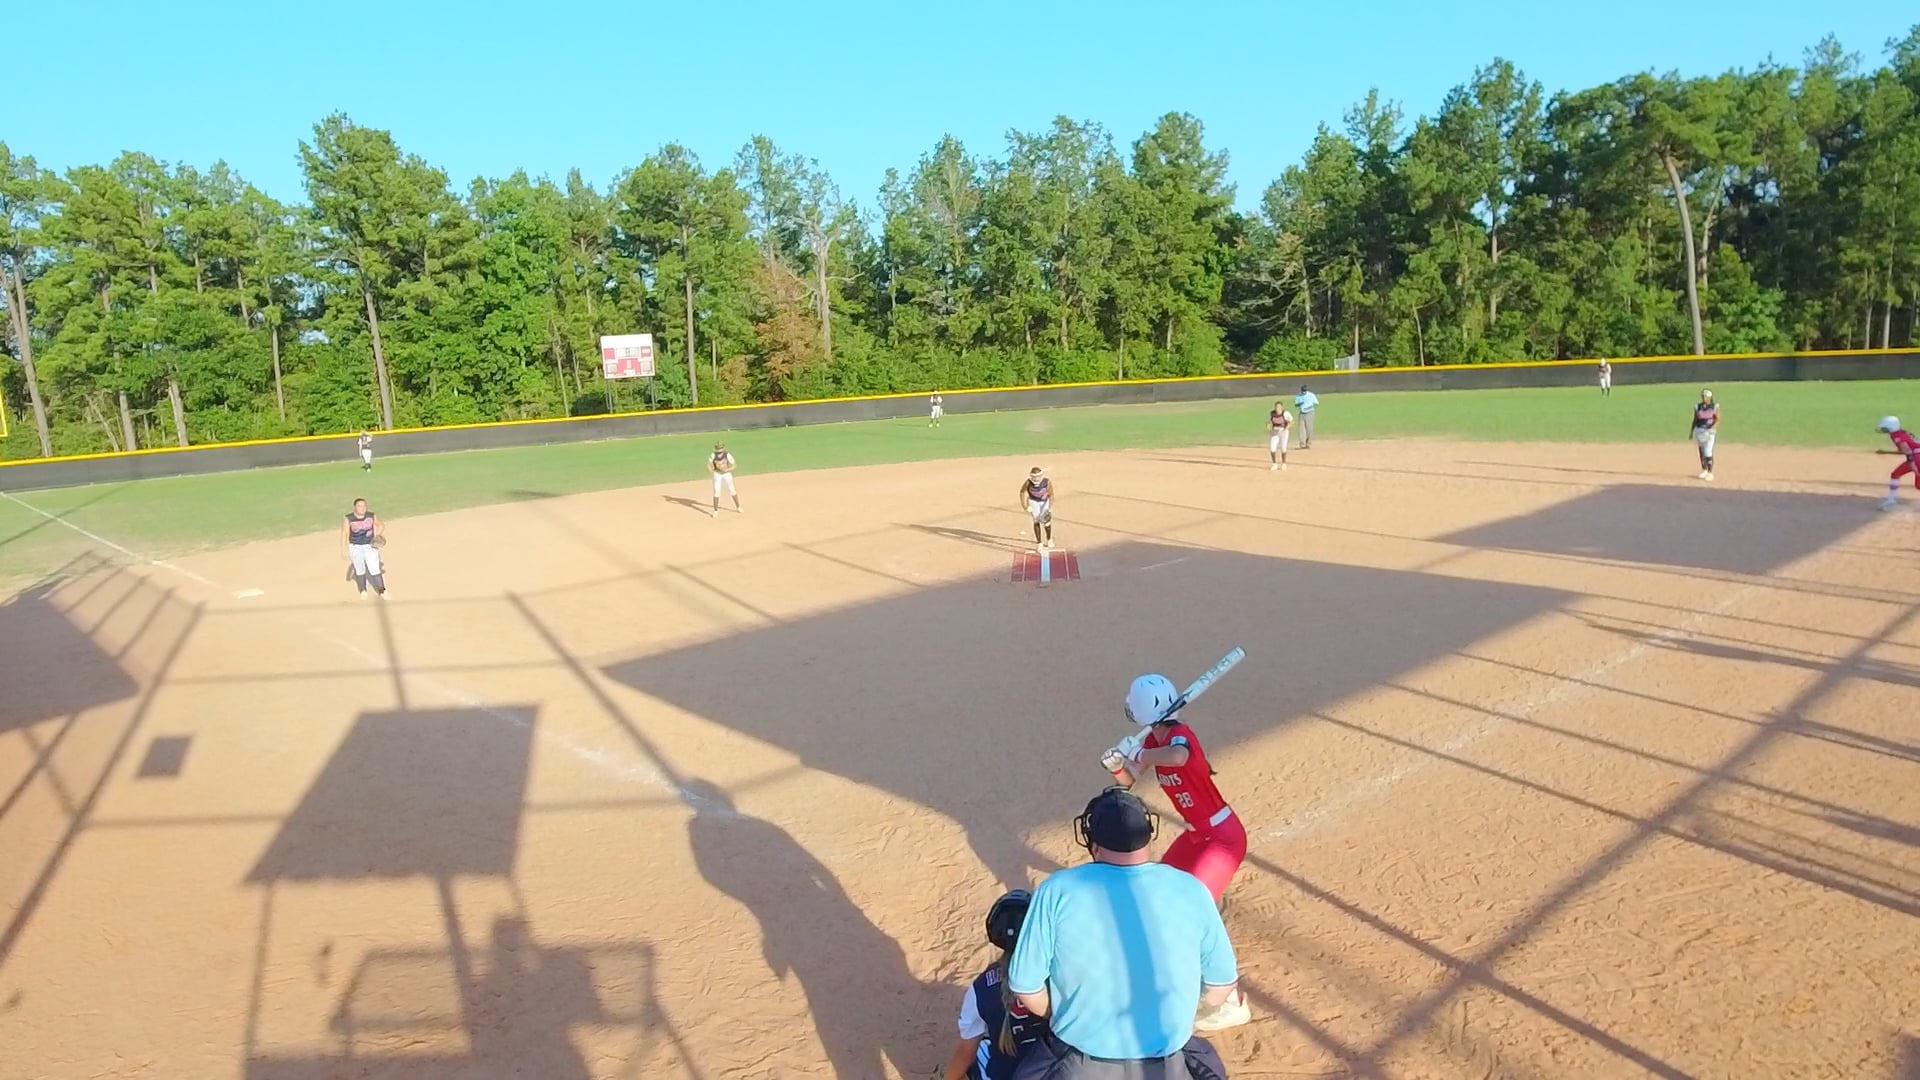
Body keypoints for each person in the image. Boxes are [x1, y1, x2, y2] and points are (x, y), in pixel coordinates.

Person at [1006, 787, 1238, 1079]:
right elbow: (1221, 985)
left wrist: (1068, 1015)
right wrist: (1181, 1018)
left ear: (1093, 843)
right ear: (1149, 834)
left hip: (1080, 1065)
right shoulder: (1191, 889)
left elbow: (1026, 988)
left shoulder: (1057, 890)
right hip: (1167, 1066)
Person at [1102, 674, 1249, 918]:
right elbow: (1128, 780)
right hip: (1196, 835)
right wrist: (1117, 767)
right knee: (1158, 887)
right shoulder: (1153, 741)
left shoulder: (1180, 735)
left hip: (1223, 838)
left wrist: (1137, 753)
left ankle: (1206, 925)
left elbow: (1178, 756)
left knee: (1191, 908)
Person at [941, 890, 1051, 1080]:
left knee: (979, 1045)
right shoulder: (1059, 975)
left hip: (1005, 1073)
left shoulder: (981, 987)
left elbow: (965, 1053)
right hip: (1056, 1070)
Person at [339, 498, 387, 600]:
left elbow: (381, 525)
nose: (363, 508)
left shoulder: (371, 516)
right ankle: (363, 590)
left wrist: (376, 536)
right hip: (355, 547)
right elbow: (344, 534)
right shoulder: (349, 518)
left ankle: (382, 590)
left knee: (374, 568)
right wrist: (343, 550)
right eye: (360, 506)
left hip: (369, 546)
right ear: (355, 507)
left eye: (364, 506)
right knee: (359, 569)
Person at [1876, 416, 1918, 511]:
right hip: (1916, 456)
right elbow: (1907, 449)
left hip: (1916, 458)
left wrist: (1912, 464)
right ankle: (1891, 499)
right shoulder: (1902, 433)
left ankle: (1891, 500)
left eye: (1885, 428)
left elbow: (1907, 450)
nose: (1883, 429)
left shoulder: (1896, 435)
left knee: (1917, 483)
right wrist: (1886, 452)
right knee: (1896, 474)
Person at [1019, 467, 1055, 553]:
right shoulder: (1028, 483)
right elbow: (1022, 492)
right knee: (1036, 520)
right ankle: (1039, 543)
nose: (1036, 479)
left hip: (1044, 502)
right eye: (1034, 477)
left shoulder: (1046, 482)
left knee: (1046, 521)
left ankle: (1049, 539)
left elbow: (1051, 495)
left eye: (1038, 476)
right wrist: (1024, 505)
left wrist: (1049, 508)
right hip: (1033, 501)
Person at [1690, 389, 1719, 481]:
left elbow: (1717, 419)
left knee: (1708, 451)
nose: (1704, 398)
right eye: (1703, 396)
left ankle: (1710, 472)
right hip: (1699, 431)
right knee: (1702, 451)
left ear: (1710, 397)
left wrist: (1712, 428)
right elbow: (1695, 419)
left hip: (1710, 432)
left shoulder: (1714, 407)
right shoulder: (1698, 407)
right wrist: (1691, 431)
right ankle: (1704, 470)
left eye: (1706, 396)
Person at [708, 442, 741, 516]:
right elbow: (708, 465)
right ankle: (715, 511)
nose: (719, 450)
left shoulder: (727, 455)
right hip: (717, 474)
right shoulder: (713, 455)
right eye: (718, 448)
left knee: (732, 490)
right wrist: (712, 471)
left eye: (720, 448)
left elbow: (734, 465)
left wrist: (727, 470)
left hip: (726, 474)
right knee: (716, 491)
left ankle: (738, 507)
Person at [1266, 401, 1292, 471]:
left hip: (1283, 432)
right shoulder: (1272, 414)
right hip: (1274, 432)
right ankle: (1274, 464)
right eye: (1276, 407)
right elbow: (1268, 422)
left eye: (1279, 407)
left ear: (1282, 407)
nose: (1278, 409)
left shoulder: (1286, 413)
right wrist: (1269, 427)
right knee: (1272, 448)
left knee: (1283, 448)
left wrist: (1286, 429)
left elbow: (1291, 422)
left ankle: (1284, 463)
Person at [1293, 385, 1319, 449]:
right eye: (1302, 391)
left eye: (1304, 391)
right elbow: (1296, 404)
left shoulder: (1311, 395)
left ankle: (1308, 443)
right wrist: (1299, 403)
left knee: (1309, 428)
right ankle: (1302, 444)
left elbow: (1316, 403)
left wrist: (1309, 405)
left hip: (1310, 412)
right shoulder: (1299, 396)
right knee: (1301, 429)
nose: (1303, 392)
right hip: (1302, 413)